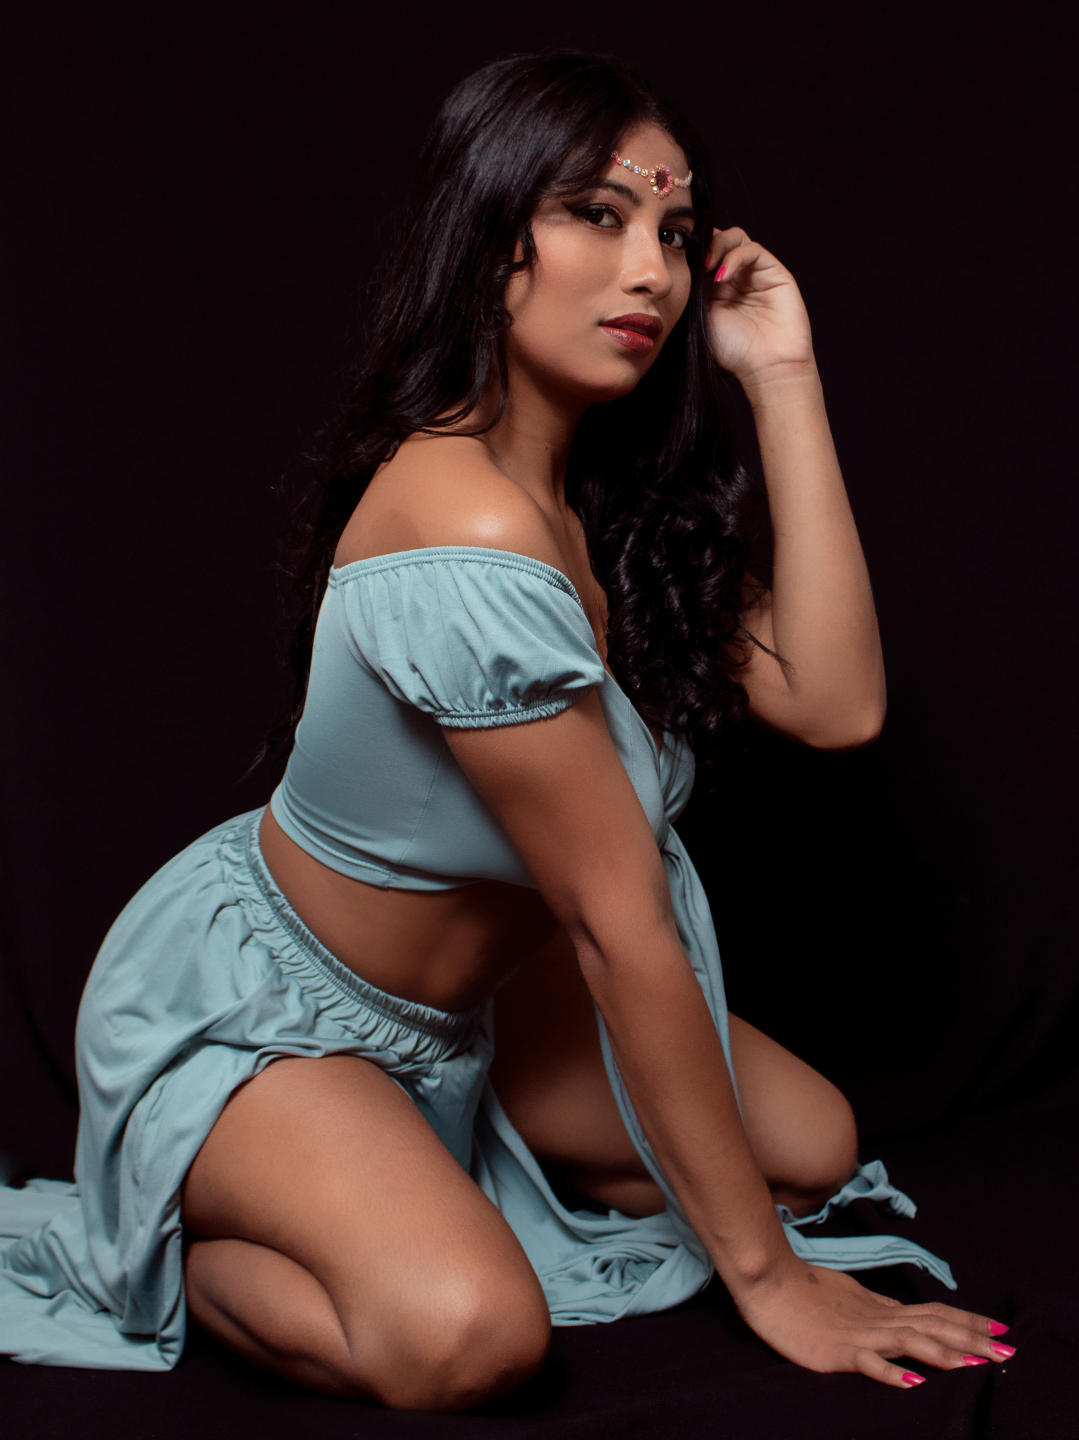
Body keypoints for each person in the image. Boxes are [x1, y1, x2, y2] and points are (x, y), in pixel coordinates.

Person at [0, 48, 1015, 1409]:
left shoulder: (605, 507)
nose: (651, 271)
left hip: (477, 1011)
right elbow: (616, 926)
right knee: (468, 1336)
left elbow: (838, 704)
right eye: (595, 213)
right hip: (269, 1013)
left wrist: (783, 373)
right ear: (489, 240)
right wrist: (771, 1282)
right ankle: (169, 1244)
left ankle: (423, 1171)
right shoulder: (464, 522)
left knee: (812, 1145)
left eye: (674, 229)